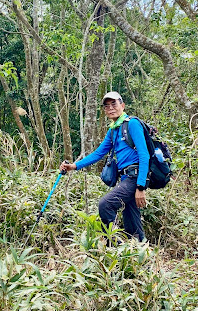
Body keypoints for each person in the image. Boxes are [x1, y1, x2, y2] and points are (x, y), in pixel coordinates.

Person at [60, 92, 149, 241]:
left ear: (122, 105)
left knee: (105, 204)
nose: (110, 108)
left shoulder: (132, 123)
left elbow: (144, 155)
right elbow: (98, 153)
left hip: (134, 177)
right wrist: (74, 166)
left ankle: (115, 245)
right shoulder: (113, 130)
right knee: (132, 221)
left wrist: (141, 187)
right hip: (126, 178)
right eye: (107, 106)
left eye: (114, 104)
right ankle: (139, 255)